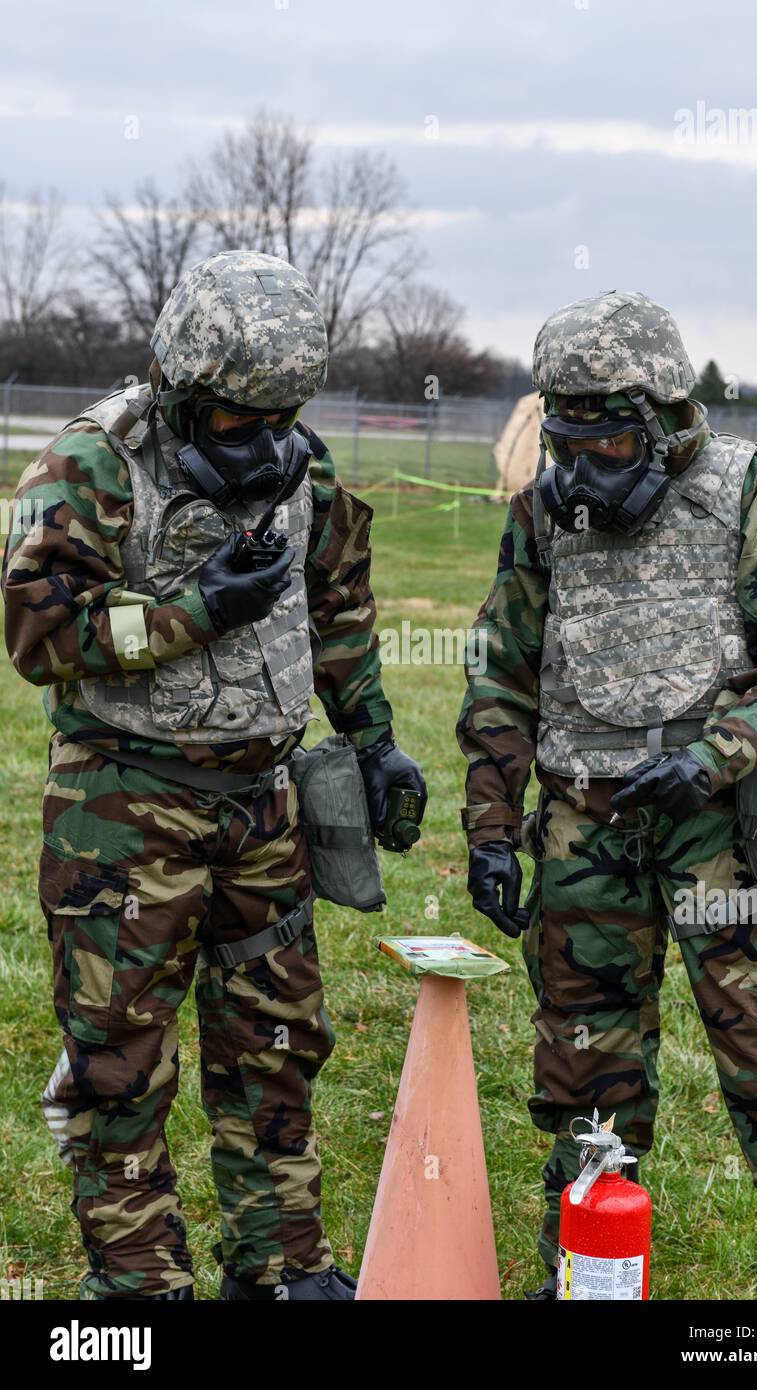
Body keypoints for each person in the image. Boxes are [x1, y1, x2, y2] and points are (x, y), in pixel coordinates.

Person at [3, 249, 426, 1301]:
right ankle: (139, 1281)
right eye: (241, 418)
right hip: (122, 807)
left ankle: (280, 1262)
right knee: (118, 1063)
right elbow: (36, 631)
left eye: (282, 413)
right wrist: (198, 614)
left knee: (274, 1046)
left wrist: (373, 739)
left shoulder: (303, 467)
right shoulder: (93, 464)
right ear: (184, 386)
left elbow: (339, 613)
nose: (266, 438)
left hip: (262, 808)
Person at [457, 290, 757, 1301]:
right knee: (585, 1065)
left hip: (713, 830)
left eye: (606, 445)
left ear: (661, 421)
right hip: (582, 827)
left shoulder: (733, 489)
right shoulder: (546, 509)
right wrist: (493, 826)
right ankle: (588, 1270)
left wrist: (720, 750)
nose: (583, 467)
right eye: (567, 440)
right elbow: (502, 670)